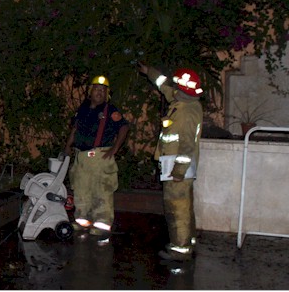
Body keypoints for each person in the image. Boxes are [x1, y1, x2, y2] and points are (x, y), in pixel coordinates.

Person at [137, 62, 203, 262]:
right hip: (173, 166)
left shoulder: (186, 112)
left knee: (177, 208)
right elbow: (164, 85)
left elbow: (187, 146)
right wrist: (150, 71)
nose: (172, 88)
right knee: (184, 206)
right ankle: (187, 241)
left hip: (177, 169)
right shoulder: (183, 102)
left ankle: (179, 249)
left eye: (177, 85)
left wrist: (179, 170)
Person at [65, 75, 130, 238]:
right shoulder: (83, 108)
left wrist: (114, 149)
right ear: (90, 91)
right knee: (81, 189)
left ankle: (102, 223)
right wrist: (67, 146)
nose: (99, 92)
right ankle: (82, 220)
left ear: (106, 93)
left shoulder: (111, 110)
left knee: (102, 191)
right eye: (96, 89)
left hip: (100, 157)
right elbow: (75, 128)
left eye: (103, 90)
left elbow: (124, 127)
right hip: (81, 157)